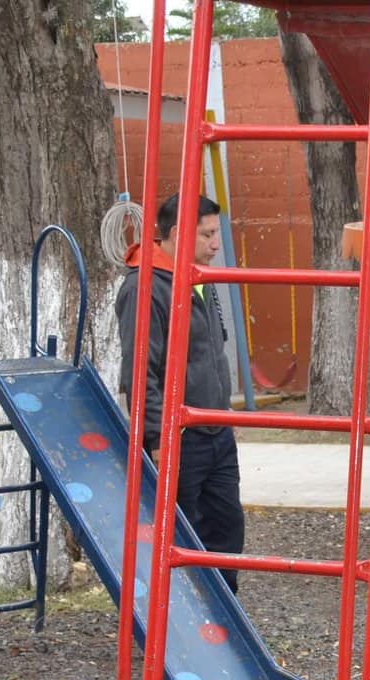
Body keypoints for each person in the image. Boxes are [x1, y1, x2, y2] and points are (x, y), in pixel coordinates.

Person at [116, 193, 245, 591]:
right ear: (177, 233)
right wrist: (157, 437)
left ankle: (224, 621)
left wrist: (222, 416)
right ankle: (173, 625)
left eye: (215, 233)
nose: (216, 244)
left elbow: (207, 357)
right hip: (179, 435)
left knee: (227, 525)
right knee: (176, 533)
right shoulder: (147, 288)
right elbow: (140, 372)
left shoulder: (198, 278)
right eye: (207, 234)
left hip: (215, 430)